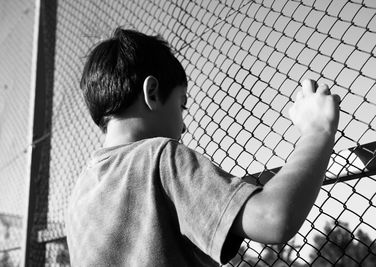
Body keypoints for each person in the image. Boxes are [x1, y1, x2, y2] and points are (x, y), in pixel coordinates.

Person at [66, 28, 340, 266]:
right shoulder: (161, 157)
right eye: (181, 104)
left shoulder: (81, 193)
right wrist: (317, 131)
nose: (184, 126)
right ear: (151, 93)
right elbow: (273, 216)